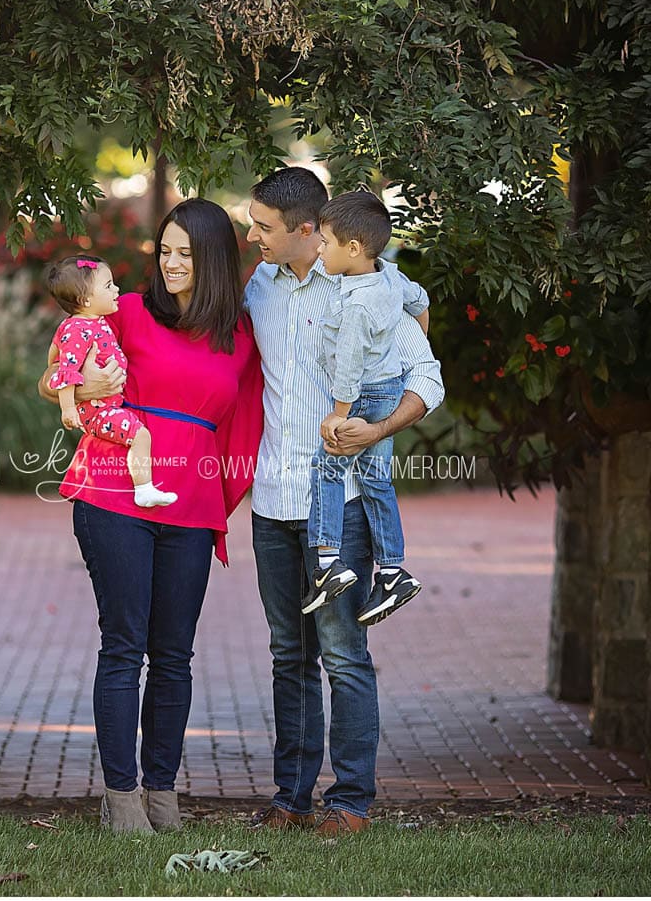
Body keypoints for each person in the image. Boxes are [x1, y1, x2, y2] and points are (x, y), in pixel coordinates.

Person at [36, 198, 263, 834]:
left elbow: (243, 426)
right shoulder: (127, 312)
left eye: (185, 253)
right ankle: (122, 799)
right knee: (124, 645)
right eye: (164, 250)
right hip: (114, 494)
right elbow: (53, 376)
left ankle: (162, 794)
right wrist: (85, 389)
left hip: (190, 502)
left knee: (174, 656)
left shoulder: (241, 340)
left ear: (214, 259)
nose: (169, 263)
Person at [241, 166, 444, 836]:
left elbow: (425, 373)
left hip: (345, 501)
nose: (253, 236)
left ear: (309, 230)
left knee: (343, 653)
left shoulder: (367, 285)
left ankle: (351, 799)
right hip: (273, 501)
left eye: (264, 227)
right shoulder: (258, 288)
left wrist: (379, 427)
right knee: (286, 653)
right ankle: (290, 796)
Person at [302, 190, 427, 626]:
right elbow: (421, 302)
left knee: (327, 468)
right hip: (390, 389)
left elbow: (348, 369)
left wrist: (340, 415)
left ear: (352, 249)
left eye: (325, 242)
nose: (318, 249)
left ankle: (327, 562)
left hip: (365, 396)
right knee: (376, 482)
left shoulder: (355, 307)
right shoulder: (388, 276)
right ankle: (393, 572)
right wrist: (405, 342)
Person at [43, 254, 177, 507]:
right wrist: (68, 408)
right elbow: (64, 369)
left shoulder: (90, 323)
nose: (116, 289)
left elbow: (53, 354)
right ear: (85, 300)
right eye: (108, 286)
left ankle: (144, 487)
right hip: (98, 410)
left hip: (105, 406)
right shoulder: (78, 329)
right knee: (140, 435)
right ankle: (144, 489)